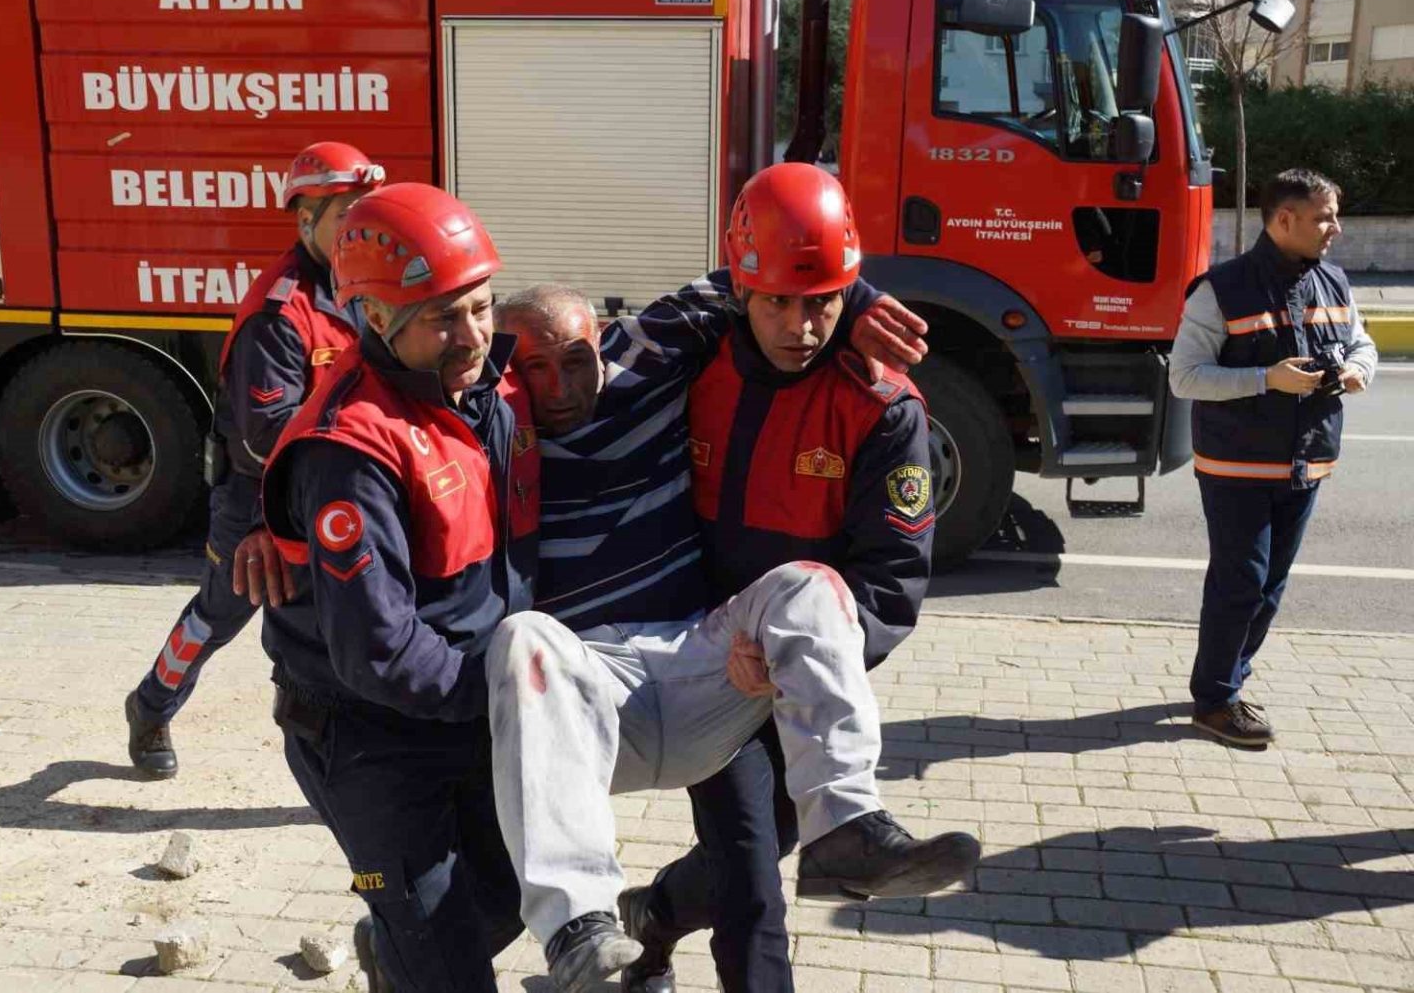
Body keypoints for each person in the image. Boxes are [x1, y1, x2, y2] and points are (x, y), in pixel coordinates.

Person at [487, 163, 979, 993]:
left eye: (821, 300)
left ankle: (839, 831)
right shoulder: (523, 415)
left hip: (762, 665)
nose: (800, 325)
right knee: (746, 878)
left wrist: (854, 295)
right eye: (778, 301)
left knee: (752, 853)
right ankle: (582, 927)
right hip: (624, 677)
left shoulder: (872, 402)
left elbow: (891, 585)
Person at [258, 182, 535, 992]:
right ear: (376, 317)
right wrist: (508, 693)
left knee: (507, 898)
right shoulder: (351, 448)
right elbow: (377, 650)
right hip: (369, 740)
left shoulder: (481, 388)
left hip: (463, 715)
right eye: (444, 317)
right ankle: (401, 945)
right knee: (444, 956)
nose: (474, 334)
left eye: (481, 306)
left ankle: (392, 950)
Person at [124, 141, 383, 778]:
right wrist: (275, 522)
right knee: (216, 616)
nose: (359, 227)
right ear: (306, 220)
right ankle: (151, 706)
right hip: (260, 504)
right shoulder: (281, 312)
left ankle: (348, 752)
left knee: (344, 619)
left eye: (365, 212)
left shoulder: (363, 287)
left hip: (332, 492)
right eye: (345, 215)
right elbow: (266, 437)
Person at [1170, 167, 1377, 748]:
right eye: (1324, 218)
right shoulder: (1221, 288)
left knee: (1269, 588)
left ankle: (1226, 679)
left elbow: (1362, 342)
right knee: (1241, 583)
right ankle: (1214, 703)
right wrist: (1268, 378)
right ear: (1284, 219)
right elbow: (1184, 377)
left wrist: (1356, 369)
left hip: (1306, 463)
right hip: (1237, 466)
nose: (1335, 228)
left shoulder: (1333, 281)